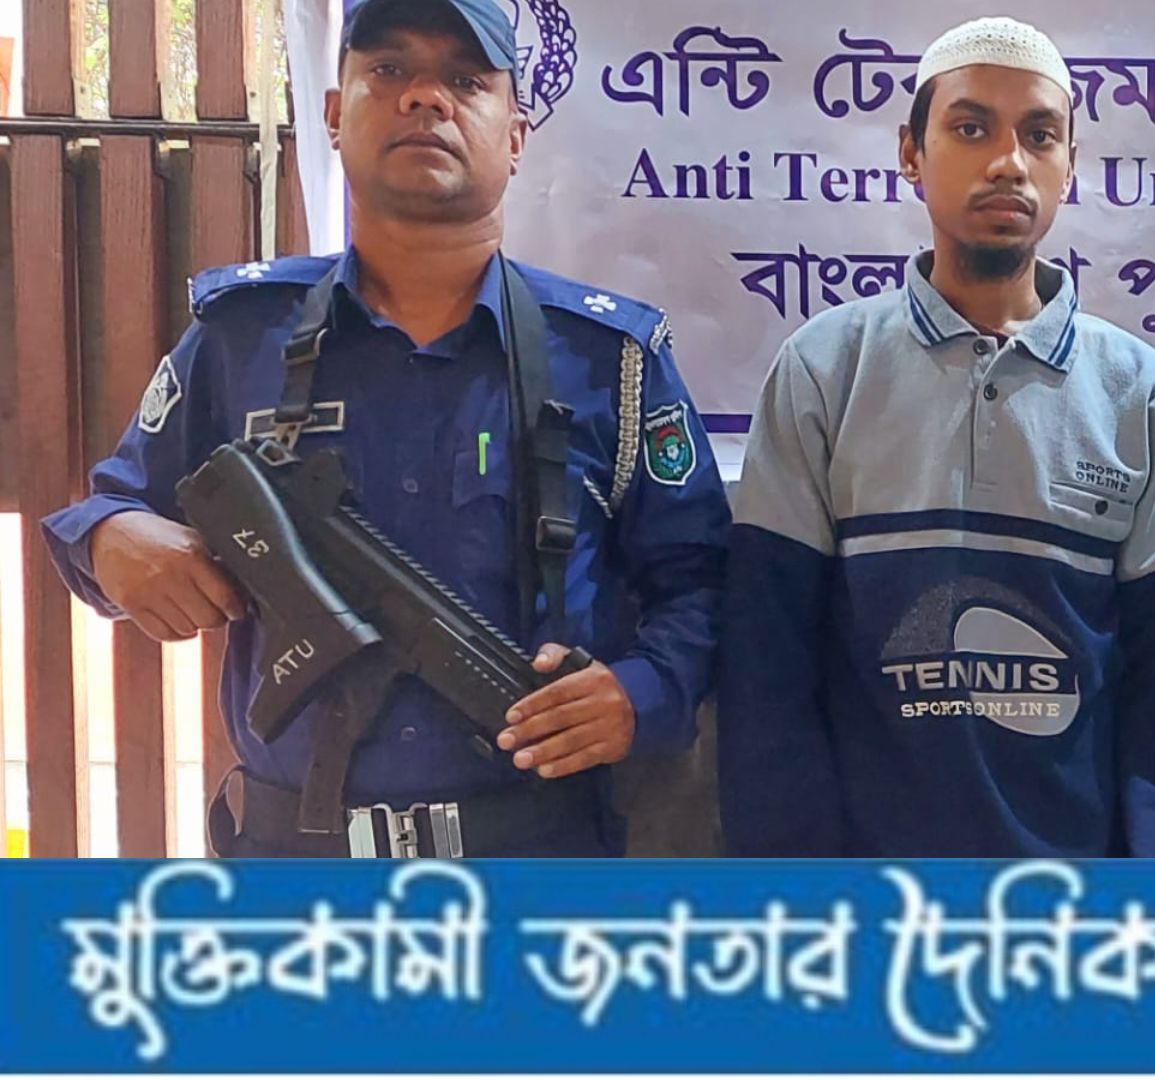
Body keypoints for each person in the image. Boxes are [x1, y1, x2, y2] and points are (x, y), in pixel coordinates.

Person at [41, 0, 730, 857]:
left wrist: (642, 692)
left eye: (466, 81)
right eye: (390, 70)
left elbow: (703, 582)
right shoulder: (241, 336)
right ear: (335, 114)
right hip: (295, 869)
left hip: (537, 860)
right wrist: (112, 539)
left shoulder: (608, 359)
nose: (424, 98)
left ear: (516, 134)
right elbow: (111, 510)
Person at [718, 16, 1155, 857]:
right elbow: (767, 667)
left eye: (1039, 136)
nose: (1008, 163)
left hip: (1074, 900)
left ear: (1069, 166)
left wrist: (1151, 889)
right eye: (970, 128)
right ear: (910, 153)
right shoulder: (826, 370)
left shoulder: (1138, 392)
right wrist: (801, 896)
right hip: (868, 899)